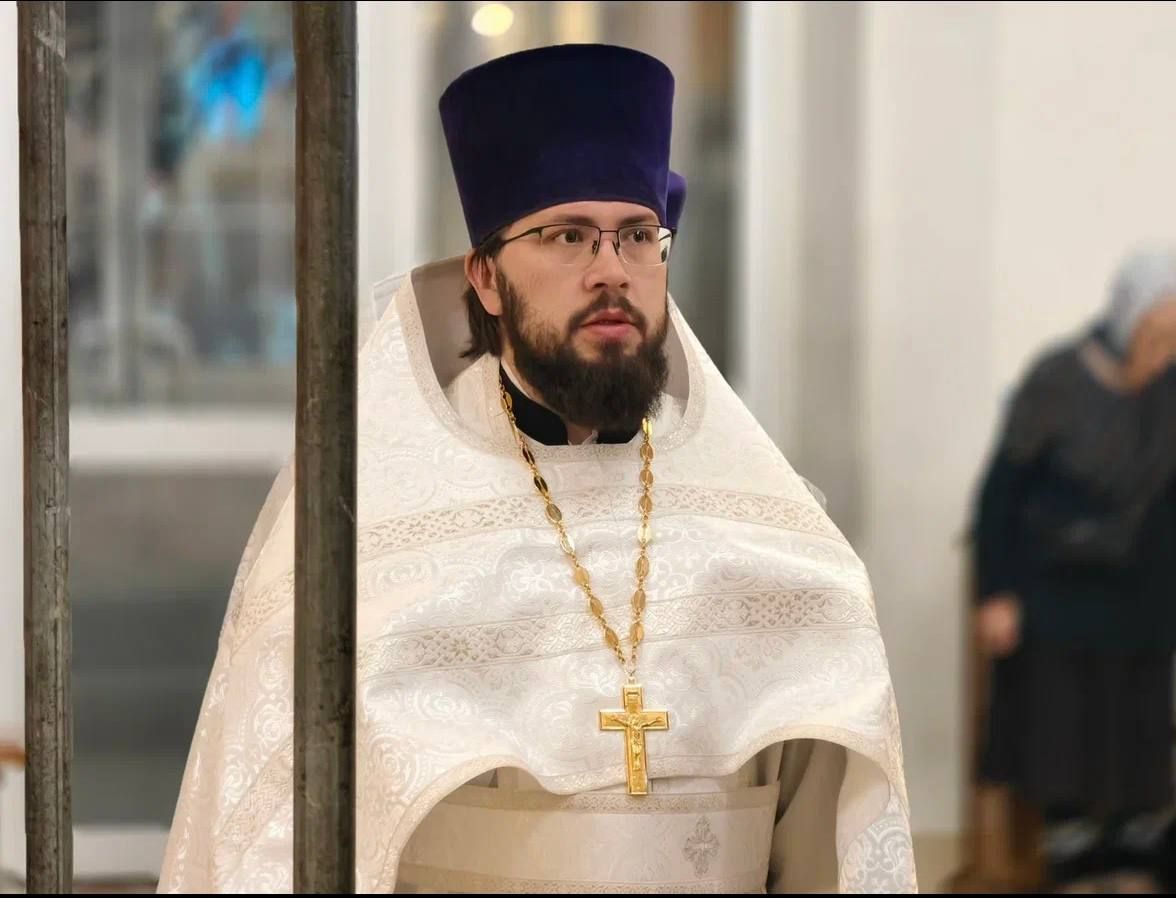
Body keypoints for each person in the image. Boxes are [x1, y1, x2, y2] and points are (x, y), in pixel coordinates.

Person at [157, 44, 914, 894]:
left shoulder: (768, 530)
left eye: (638, 236)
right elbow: (273, 833)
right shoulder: (369, 530)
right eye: (568, 237)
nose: (611, 270)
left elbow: (828, 844)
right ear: (486, 277)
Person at [971, 248, 1176, 892]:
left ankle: (1134, 864)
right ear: (1128, 320)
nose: (1166, 351)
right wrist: (996, 592)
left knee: (1139, 736)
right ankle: (1076, 866)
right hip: (1057, 593)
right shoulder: (1057, 379)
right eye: (1159, 334)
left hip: (1143, 594)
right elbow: (1000, 493)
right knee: (1063, 738)